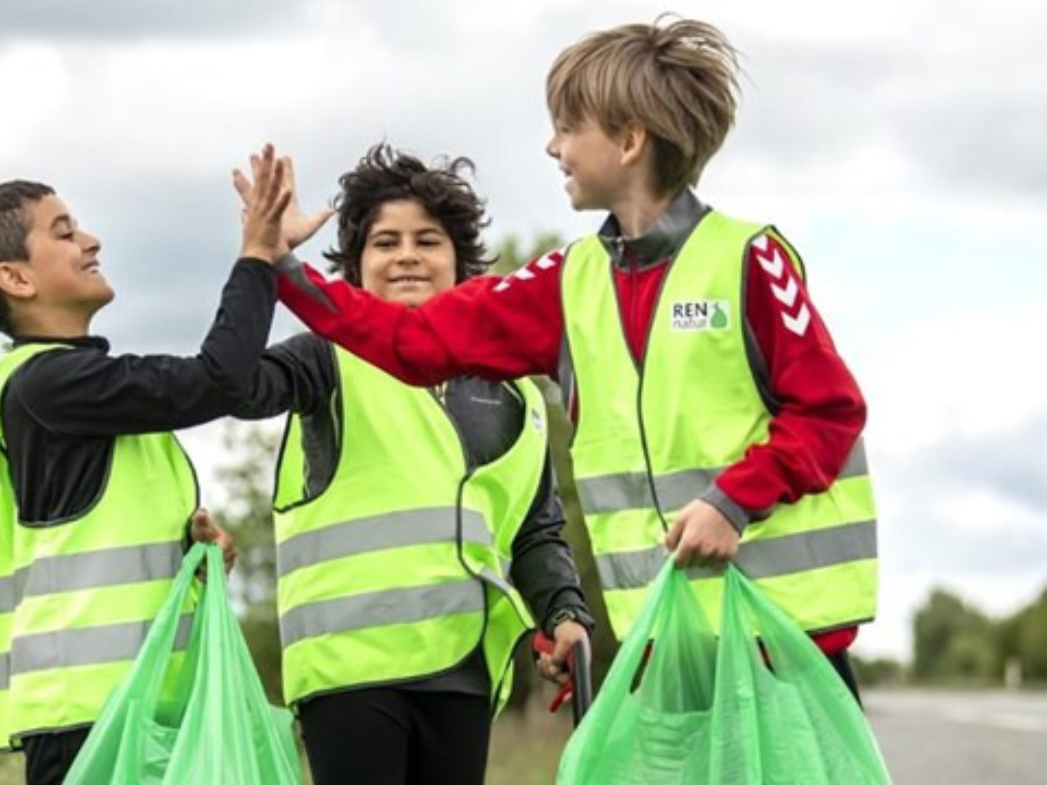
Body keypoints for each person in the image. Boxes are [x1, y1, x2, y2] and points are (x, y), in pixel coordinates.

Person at [270, 18, 878, 701]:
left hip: (786, 648)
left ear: (627, 140)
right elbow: (418, 342)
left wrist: (733, 502)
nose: (552, 145)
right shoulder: (568, 280)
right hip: (666, 652)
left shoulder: (749, 260)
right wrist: (286, 269)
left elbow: (832, 411)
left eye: (567, 125)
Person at [228, 143, 594, 785]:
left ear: (459, 261)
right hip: (349, 672)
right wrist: (264, 261)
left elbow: (536, 531)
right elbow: (232, 384)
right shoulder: (323, 360)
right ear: (355, 264)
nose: (406, 256)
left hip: (463, 676)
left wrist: (563, 613)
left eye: (427, 241)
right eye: (385, 242)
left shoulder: (515, 393)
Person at [0, 145, 294, 783]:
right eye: (64, 231)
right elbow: (219, 380)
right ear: (16, 279)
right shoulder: (54, 385)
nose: (91, 239)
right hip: (95, 715)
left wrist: (192, 552)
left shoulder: (62, 392)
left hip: (123, 708)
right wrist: (259, 255)